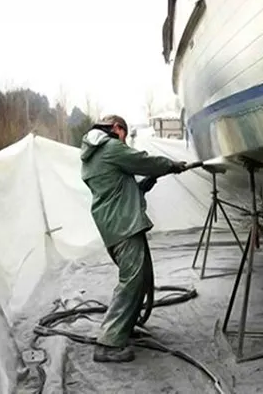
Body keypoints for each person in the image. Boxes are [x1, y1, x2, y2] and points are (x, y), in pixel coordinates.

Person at [80, 114, 186, 362]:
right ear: (117, 128)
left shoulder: (94, 154)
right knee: (132, 281)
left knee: (141, 279)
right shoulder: (109, 147)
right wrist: (171, 165)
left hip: (117, 225)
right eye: (124, 136)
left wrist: (144, 185)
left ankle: (123, 328)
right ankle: (108, 343)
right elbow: (142, 161)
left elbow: (117, 190)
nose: (124, 142)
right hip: (124, 226)